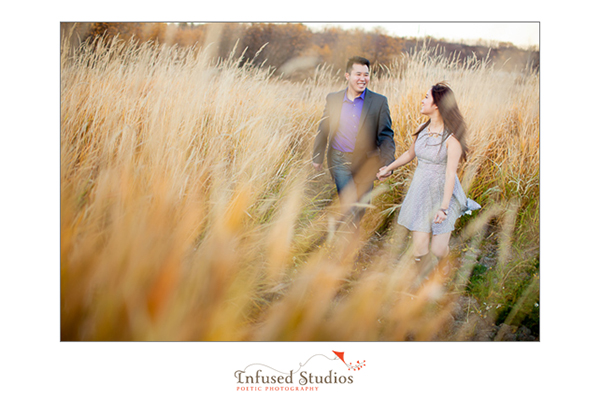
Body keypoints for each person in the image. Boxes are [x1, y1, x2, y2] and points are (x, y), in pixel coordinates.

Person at [377, 82, 480, 265]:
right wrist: (389, 168)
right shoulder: (421, 130)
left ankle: (444, 263)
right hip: (421, 191)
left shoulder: (452, 139)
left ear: (437, 105)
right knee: (420, 249)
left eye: (426, 97)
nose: (422, 100)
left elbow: (450, 175)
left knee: (438, 250)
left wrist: (444, 208)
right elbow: (410, 154)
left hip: (443, 194)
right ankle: (421, 286)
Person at [312, 56, 396, 226]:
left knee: (361, 206)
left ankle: (353, 233)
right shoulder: (333, 99)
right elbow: (324, 128)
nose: (363, 79)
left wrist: (388, 163)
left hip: (366, 162)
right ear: (347, 75)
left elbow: (386, 135)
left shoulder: (379, 102)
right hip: (339, 159)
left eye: (366, 75)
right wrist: (317, 156)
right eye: (358, 74)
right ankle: (348, 244)